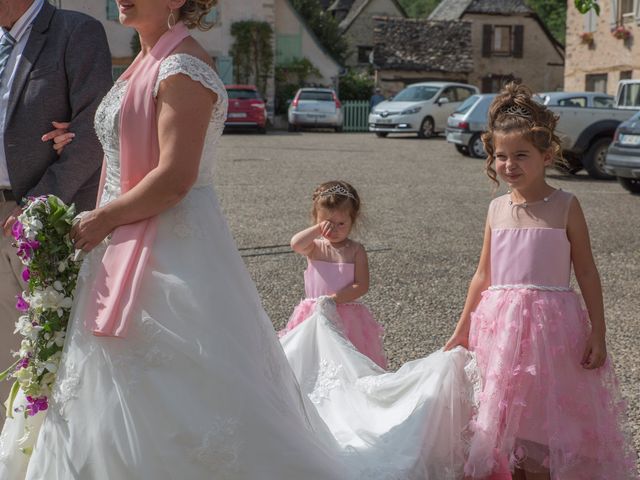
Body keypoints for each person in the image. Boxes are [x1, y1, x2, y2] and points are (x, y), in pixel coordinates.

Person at [0, 1, 477, 479]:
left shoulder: (181, 65)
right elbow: (125, 135)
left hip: (166, 242)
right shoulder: (143, 62)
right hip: (123, 236)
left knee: (178, 376)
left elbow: (174, 178)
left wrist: (102, 218)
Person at [444, 83, 637, 479]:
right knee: (505, 420)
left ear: (546, 155)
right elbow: (483, 275)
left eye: (520, 155)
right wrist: (462, 329)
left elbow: (586, 271)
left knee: (546, 421)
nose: (509, 164)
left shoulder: (566, 205)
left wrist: (598, 333)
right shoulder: (496, 209)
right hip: (500, 330)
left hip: (552, 333)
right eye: (501, 156)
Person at [0, 0, 112, 417]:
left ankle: (51, 452)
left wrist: (36, 205)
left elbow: (94, 131)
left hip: (47, 218)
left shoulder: (74, 31)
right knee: (4, 352)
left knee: (54, 350)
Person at [279, 180, 387, 368]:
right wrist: (318, 229)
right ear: (317, 220)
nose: (334, 229)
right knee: (311, 357)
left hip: (346, 314)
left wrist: (333, 299)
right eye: (327, 223)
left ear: (353, 220)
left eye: (341, 223)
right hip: (314, 312)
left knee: (346, 359)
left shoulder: (355, 250)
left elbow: (361, 285)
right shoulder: (315, 247)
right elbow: (296, 244)